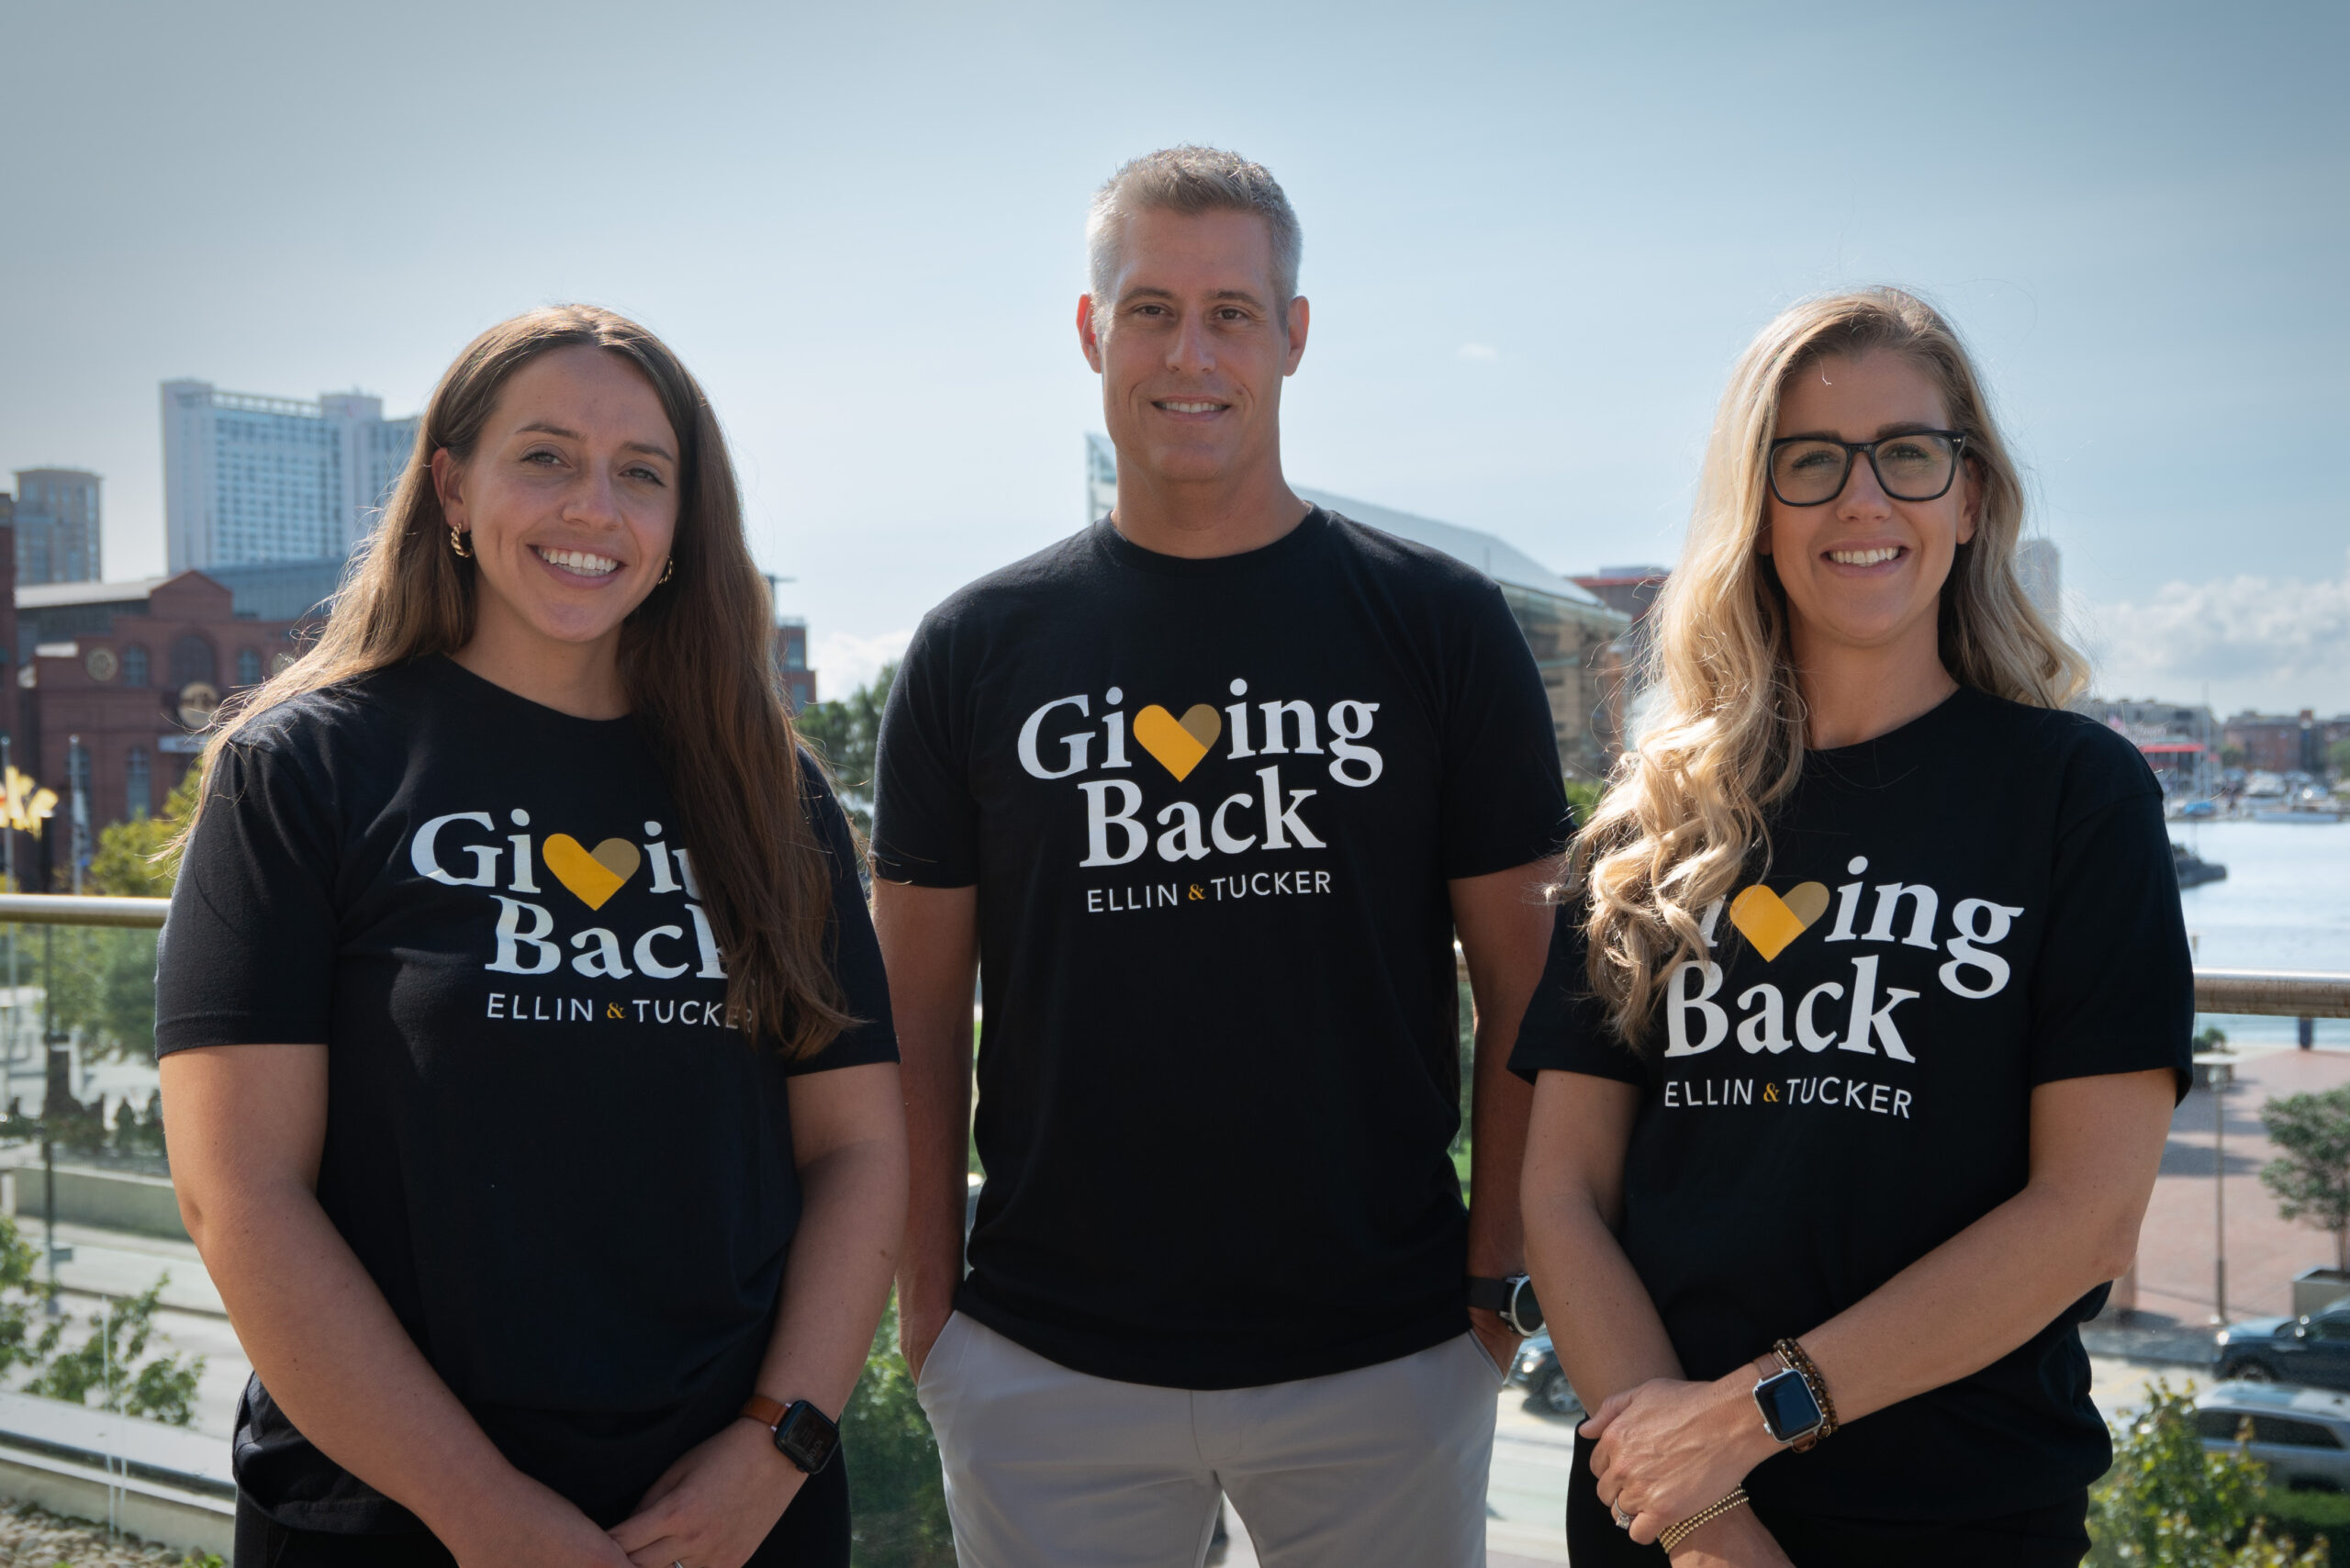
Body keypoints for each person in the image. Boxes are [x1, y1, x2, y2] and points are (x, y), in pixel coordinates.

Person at [869, 145, 1567, 1568]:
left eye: (1233, 313)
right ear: (1090, 331)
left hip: (1384, 1358)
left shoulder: (1438, 627)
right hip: (1046, 1367)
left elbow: (1531, 986)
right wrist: (931, 1314)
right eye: (1149, 309)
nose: (1191, 353)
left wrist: (1491, 1293)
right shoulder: (973, 651)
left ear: (1294, 337)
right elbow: (919, 1020)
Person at [155, 305, 907, 1568]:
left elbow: (862, 1152)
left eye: (641, 474)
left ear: (682, 524)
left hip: (728, 1520)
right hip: (393, 1518)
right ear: (451, 487)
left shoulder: (769, 796)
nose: (593, 507)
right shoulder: (303, 772)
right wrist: (483, 1514)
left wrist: (776, 1447)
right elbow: (238, 1194)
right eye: (546, 456)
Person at [1514, 287, 2191, 1567]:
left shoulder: (2072, 795)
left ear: (1970, 498)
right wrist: (1710, 1523)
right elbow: (1562, 1196)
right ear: (1757, 516)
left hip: (1962, 1515)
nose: (1863, 500)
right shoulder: (1647, 823)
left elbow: (2090, 1211)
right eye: (1810, 463)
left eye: (1909, 455)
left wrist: (1752, 1419)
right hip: (1663, 1520)